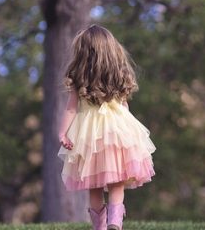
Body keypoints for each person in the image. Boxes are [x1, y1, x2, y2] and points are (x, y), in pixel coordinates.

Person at [57, 24, 156, 230]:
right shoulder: (117, 74)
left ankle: (99, 227)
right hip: (117, 131)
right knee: (117, 180)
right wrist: (128, 133)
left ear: (84, 53)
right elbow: (124, 106)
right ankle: (115, 222)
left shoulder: (79, 76)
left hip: (89, 135)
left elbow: (71, 109)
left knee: (93, 185)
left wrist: (63, 132)